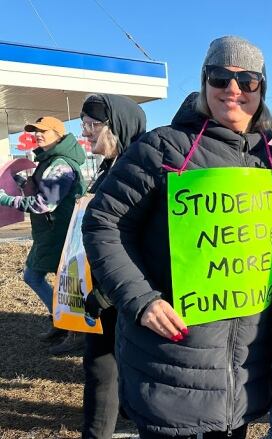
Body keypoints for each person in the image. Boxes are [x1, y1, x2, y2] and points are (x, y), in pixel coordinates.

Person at [81, 36, 272, 438]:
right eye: (220, 78)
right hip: (169, 367)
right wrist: (141, 300)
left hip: (242, 376)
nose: (233, 90)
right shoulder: (163, 147)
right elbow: (103, 223)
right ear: (204, 83)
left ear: (261, 90)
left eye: (247, 81)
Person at [79, 94, 147, 439]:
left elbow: (136, 237)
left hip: (119, 293)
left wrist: (106, 291)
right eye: (84, 125)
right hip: (105, 288)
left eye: (93, 125)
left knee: (101, 368)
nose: (86, 132)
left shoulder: (136, 170)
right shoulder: (111, 167)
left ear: (118, 126)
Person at [0, 116, 86, 353]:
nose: (37, 134)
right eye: (34, 131)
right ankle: (61, 322)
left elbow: (44, 204)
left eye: (42, 131)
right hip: (49, 231)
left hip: (61, 231)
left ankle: (76, 331)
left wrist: (6, 199)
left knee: (65, 283)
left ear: (58, 134)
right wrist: (23, 182)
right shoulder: (49, 161)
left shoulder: (60, 164)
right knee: (38, 277)